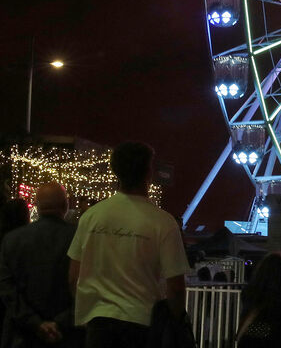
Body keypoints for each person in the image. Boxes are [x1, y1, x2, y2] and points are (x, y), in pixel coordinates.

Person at [67, 142, 190, 348]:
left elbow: (74, 277)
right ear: (148, 173)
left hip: (99, 322)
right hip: (143, 323)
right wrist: (176, 321)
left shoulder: (92, 217)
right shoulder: (163, 223)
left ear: (115, 171)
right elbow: (176, 287)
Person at [0, 183, 80, 348]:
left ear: (37, 205)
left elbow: (7, 288)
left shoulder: (12, 240)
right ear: (65, 205)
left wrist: (35, 322)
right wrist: (61, 322)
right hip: (67, 335)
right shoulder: (78, 238)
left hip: (22, 335)